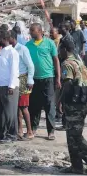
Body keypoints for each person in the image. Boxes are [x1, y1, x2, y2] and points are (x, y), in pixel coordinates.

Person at [26, 23, 61, 140]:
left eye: (33, 30)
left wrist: (58, 78)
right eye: (30, 30)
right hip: (33, 79)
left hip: (48, 78)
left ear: (40, 31)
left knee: (49, 105)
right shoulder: (28, 45)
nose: (30, 32)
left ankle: (51, 131)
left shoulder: (49, 43)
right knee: (34, 105)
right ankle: (34, 128)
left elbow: (56, 60)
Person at [59, 40, 87, 174]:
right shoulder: (79, 61)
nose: (59, 52)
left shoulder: (67, 64)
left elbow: (67, 85)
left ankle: (78, 165)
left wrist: (60, 102)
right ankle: (76, 166)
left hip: (73, 103)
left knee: (74, 136)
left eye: (60, 49)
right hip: (82, 101)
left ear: (65, 49)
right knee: (73, 135)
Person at [0, 30, 20, 143]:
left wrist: (11, 86)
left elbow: (14, 70)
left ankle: (12, 135)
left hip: (9, 87)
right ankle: (0, 134)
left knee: (10, 113)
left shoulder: (12, 52)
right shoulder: (1, 51)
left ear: (6, 39)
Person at [9, 30, 35, 140]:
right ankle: (20, 130)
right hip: (15, 79)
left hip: (23, 79)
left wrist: (30, 80)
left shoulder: (22, 49)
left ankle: (29, 131)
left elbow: (30, 65)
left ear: (12, 38)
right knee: (17, 107)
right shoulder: (10, 50)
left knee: (24, 106)